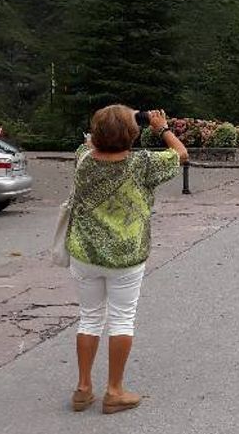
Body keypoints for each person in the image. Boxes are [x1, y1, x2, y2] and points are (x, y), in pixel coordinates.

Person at [67, 105, 188, 413]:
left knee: (89, 316)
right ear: (132, 135)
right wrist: (159, 127)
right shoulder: (143, 164)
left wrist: (120, 121)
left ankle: (83, 388)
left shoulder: (82, 158)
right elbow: (181, 154)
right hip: (126, 255)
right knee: (121, 318)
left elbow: (94, 139)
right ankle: (114, 391)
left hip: (85, 252)